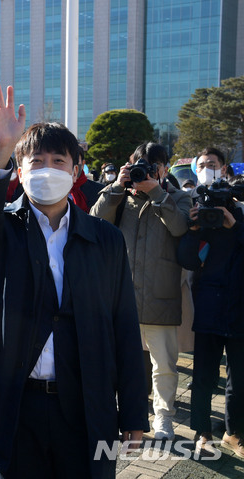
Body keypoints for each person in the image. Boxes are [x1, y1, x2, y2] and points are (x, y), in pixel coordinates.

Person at [0, 82, 148, 478]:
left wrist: (134, 410)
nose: (47, 169)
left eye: (58, 160)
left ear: (76, 170)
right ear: (20, 170)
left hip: (87, 404)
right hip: (19, 404)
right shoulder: (3, 231)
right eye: (36, 161)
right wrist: (1, 148)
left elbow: (124, 325)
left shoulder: (105, 239)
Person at [91, 142, 191, 440]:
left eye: (152, 166)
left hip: (161, 294)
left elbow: (180, 228)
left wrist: (156, 192)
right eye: (139, 164)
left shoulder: (178, 198)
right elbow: (93, 223)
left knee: (164, 366)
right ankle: (122, 416)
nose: (144, 171)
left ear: (164, 169)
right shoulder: (119, 198)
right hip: (121, 298)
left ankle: (164, 419)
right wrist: (114, 188)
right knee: (120, 363)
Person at [177, 157, 244, 458]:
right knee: (203, 376)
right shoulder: (201, 222)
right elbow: (188, 261)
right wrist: (193, 229)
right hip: (208, 308)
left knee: (239, 377)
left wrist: (235, 227)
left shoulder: (240, 220)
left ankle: (234, 432)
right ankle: (203, 431)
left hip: (240, 308)